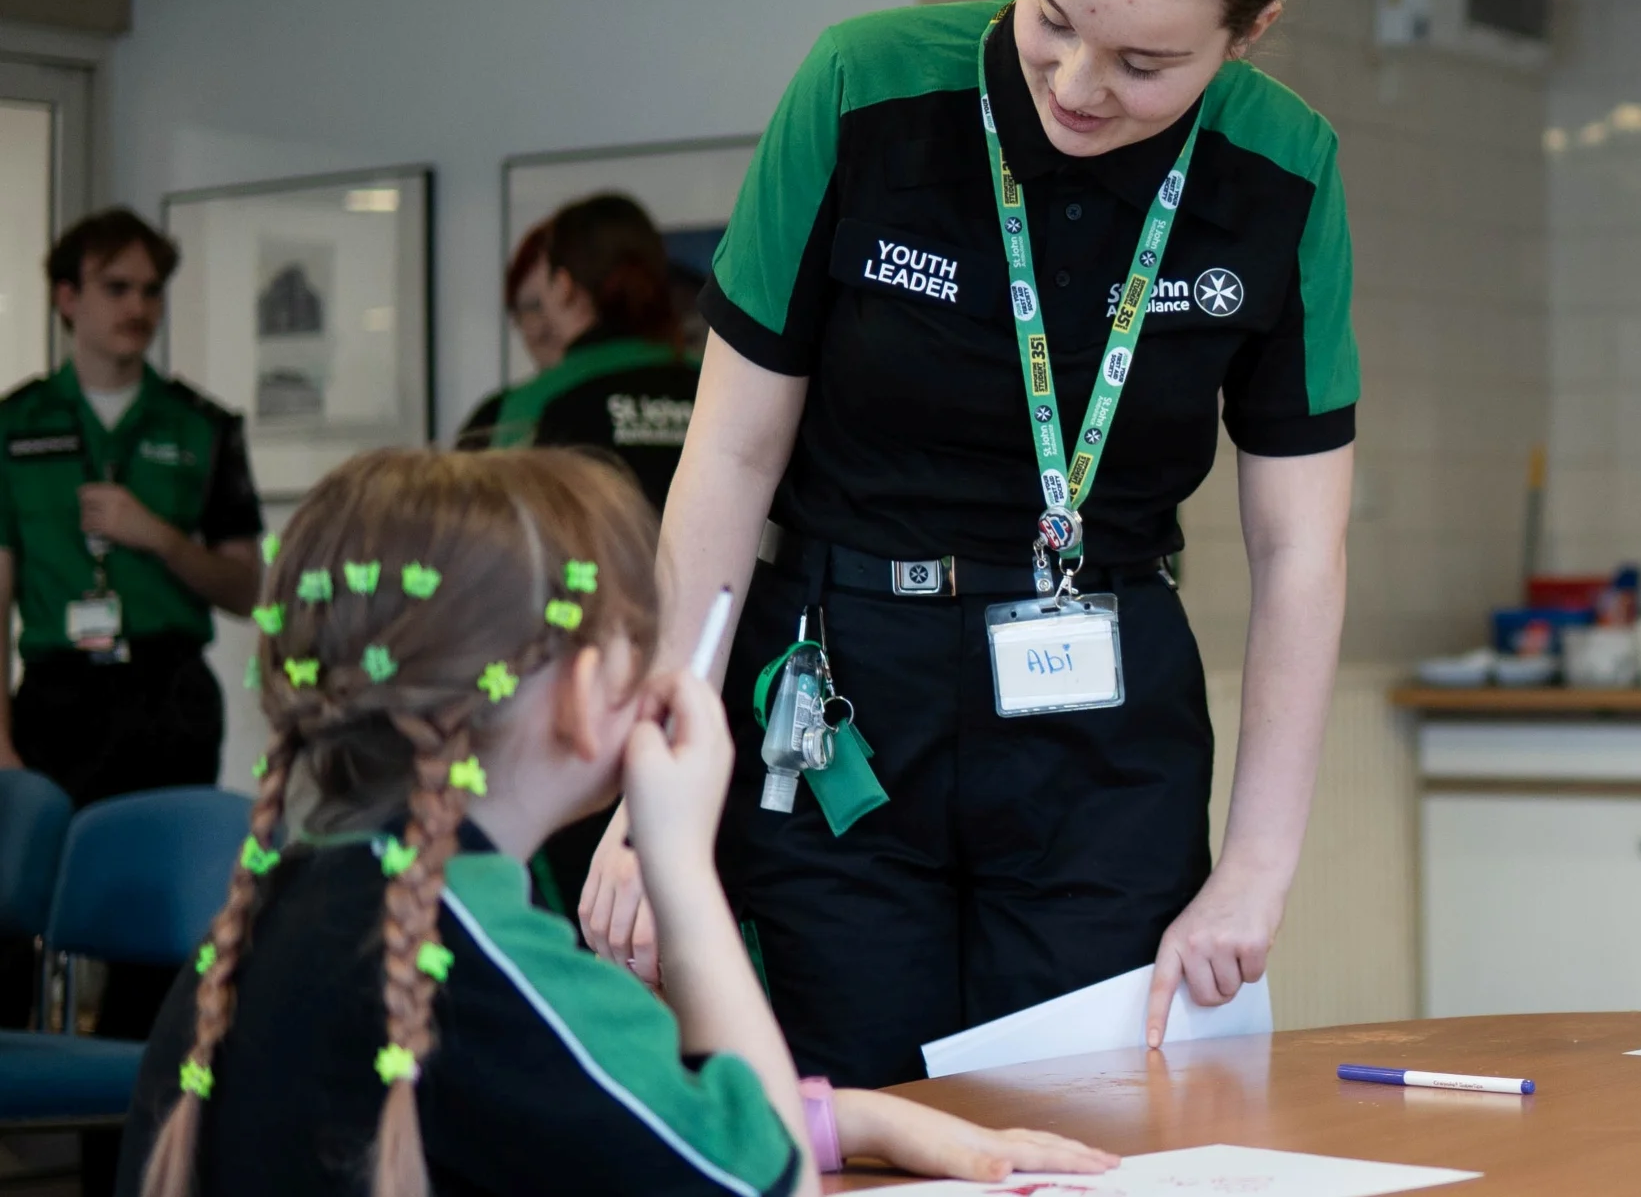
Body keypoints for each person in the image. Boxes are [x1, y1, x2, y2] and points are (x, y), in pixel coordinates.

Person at [576, 0, 1358, 1086]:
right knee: (845, 1106)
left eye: (1146, 63)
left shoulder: (1286, 172)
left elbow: (1300, 550)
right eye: (1052, 18)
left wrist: (1256, 873)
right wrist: (652, 802)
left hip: (1105, 721)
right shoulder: (860, 91)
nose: (1077, 82)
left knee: (1092, 1123)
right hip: (837, 700)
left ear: (1250, 31)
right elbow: (728, 458)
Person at [118, 447, 1117, 1196]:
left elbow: (562, 1112)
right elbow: (765, 1182)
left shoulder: (287, 912)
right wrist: (680, 857)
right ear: (594, 687)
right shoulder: (482, 958)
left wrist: (849, 1117)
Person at [0, 209, 263, 1037]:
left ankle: (131, 1142)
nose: (138, 307)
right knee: (16, 922)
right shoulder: (14, 426)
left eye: (152, 290)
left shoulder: (203, 426)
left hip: (166, 696)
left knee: (157, 941)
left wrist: (156, 536)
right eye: (117, 287)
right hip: (54, 695)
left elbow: (248, 585)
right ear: (67, 297)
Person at [455, 194, 701, 914]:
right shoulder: (722, 392)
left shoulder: (522, 415)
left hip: (576, 718)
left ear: (564, 286)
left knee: (579, 930)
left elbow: (469, 584)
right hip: (725, 702)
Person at [457, 194, 700, 512]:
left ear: (562, 285)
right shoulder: (715, 385)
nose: (533, 327)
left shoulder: (522, 410)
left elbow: (475, 533)